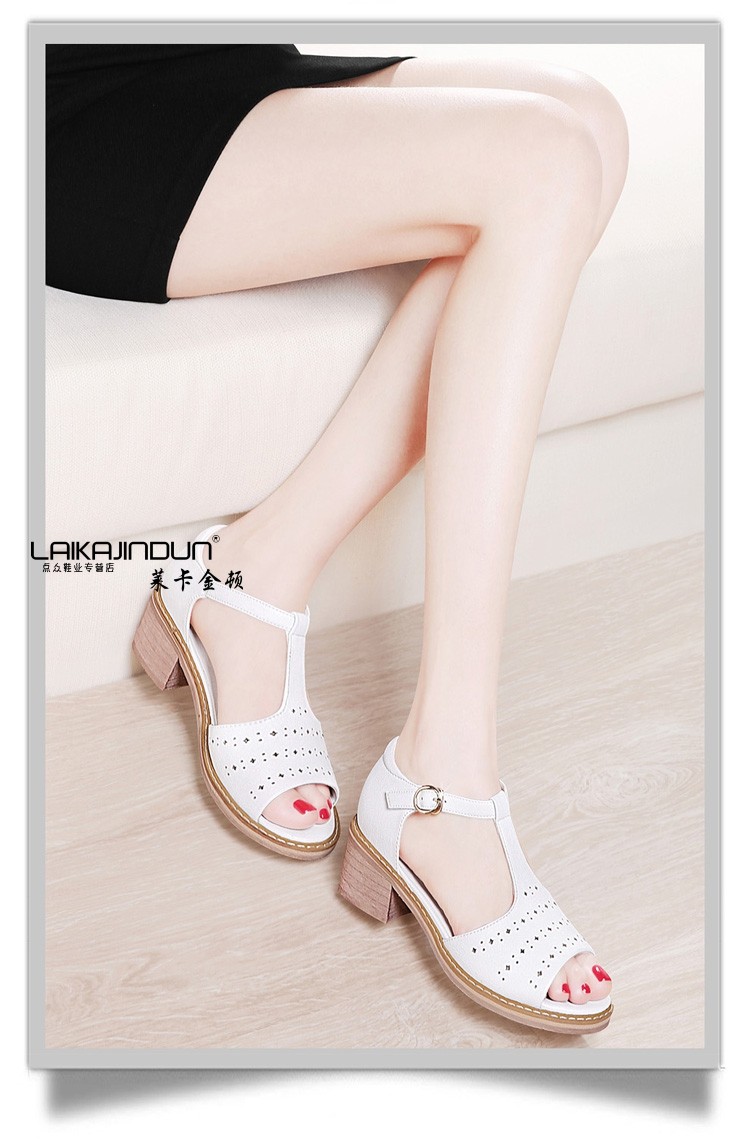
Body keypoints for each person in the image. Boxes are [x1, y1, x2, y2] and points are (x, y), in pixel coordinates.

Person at [47, 43, 629, 1033]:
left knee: (589, 118)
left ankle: (257, 569)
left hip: (217, 60)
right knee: (544, 157)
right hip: (69, 111)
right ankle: (446, 775)